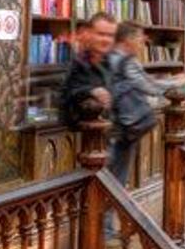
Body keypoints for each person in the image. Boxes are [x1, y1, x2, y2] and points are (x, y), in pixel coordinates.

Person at [105, 21, 175, 195]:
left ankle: (104, 218)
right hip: (123, 126)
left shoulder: (107, 57)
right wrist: (176, 82)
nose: (143, 42)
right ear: (127, 39)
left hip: (112, 124)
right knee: (115, 180)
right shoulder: (126, 61)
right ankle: (105, 220)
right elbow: (149, 86)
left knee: (109, 178)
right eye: (139, 38)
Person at [60, 13, 115, 128]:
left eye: (110, 35)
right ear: (89, 33)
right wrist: (91, 91)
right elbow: (64, 96)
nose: (106, 40)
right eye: (101, 34)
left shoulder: (113, 62)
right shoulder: (73, 61)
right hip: (78, 137)